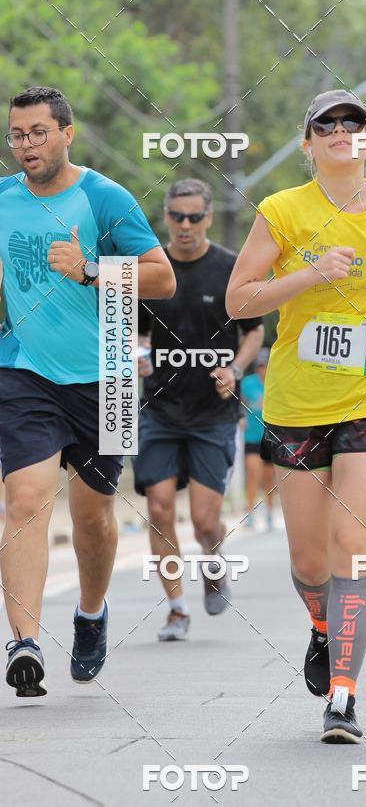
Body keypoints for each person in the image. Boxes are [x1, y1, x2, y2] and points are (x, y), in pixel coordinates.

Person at [225, 89, 366, 744]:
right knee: (311, 560)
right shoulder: (282, 211)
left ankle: (344, 696)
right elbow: (239, 300)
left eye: (355, 123)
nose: (343, 132)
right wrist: (311, 274)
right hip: (296, 402)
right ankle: (323, 625)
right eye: (328, 125)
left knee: (353, 547)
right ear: (308, 142)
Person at [0, 86, 175, 697]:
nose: (26, 145)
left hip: (109, 377)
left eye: (38, 133)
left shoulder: (104, 197)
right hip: (23, 371)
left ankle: (91, 613)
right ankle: (23, 642)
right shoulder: (0, 201)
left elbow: (162, 277)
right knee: (25, 499)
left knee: (95, 514)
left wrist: (91, 268)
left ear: (67, 134)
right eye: (17, 134)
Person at [133, 178, 263, 642]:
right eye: (176, 217)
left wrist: (235, 367)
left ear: (207, 218)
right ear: (165, 217)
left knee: (206, 520)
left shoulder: (230, 269)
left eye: (194, 217)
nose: (185, 226)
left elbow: (252, 331)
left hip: (213, 412)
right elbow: (132, 332)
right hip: (160, 409)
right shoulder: (150, 270)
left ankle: (213, 563)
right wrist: (137, 352)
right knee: (160, 506)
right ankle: (176, 608)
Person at [241, 348, 275, 531]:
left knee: (268, 479)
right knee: (253, 472)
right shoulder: (247, 383)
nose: (263, 369)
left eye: (266, 365)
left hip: (270, 436)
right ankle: (249, 511)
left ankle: (269, 511)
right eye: (260, 365)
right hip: (252, 436)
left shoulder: (276, 382)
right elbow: (238, 403)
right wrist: (239, 417)